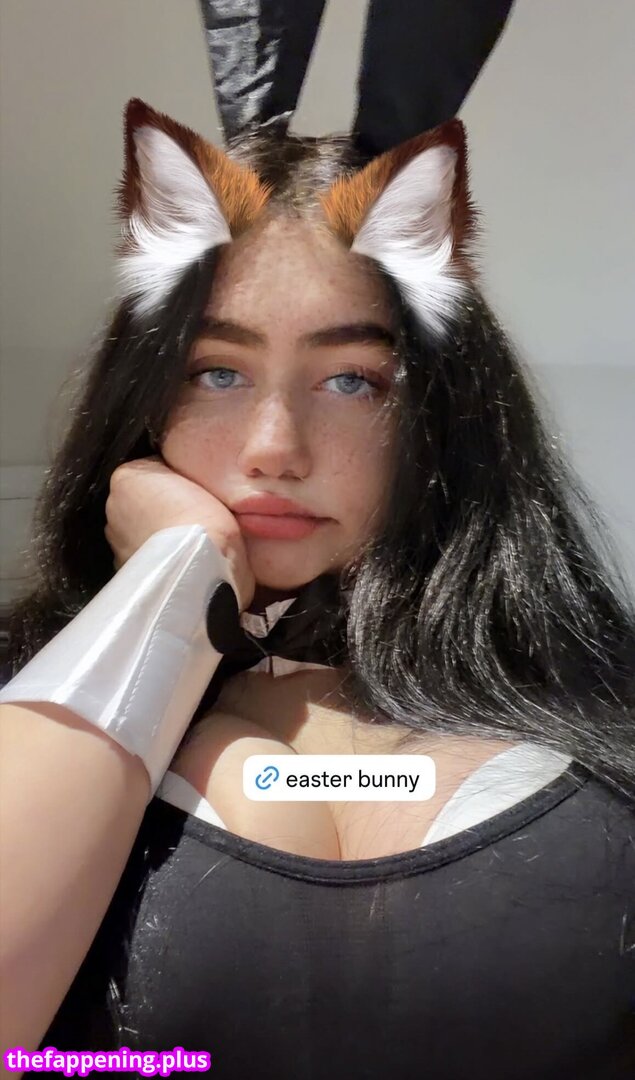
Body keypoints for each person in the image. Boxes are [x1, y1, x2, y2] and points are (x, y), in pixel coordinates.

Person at [1, 3, 634, 1077]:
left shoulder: (600, 690)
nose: (273, 448)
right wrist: (173, 583)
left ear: (440, 408)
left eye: (350, 381)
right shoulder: (23, 695)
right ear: (141, 394)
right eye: (216, 372)